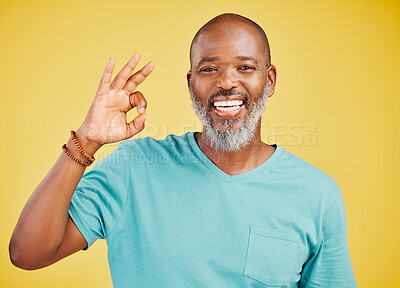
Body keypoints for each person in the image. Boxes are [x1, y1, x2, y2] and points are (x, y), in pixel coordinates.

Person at [9, 13, 357, 287]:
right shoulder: (133, 168)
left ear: (270, 80)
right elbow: (27, 253)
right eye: (209, 69)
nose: (226, 82)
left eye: (245, 67)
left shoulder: (317, 195)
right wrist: (84, 141)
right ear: (191, 83)